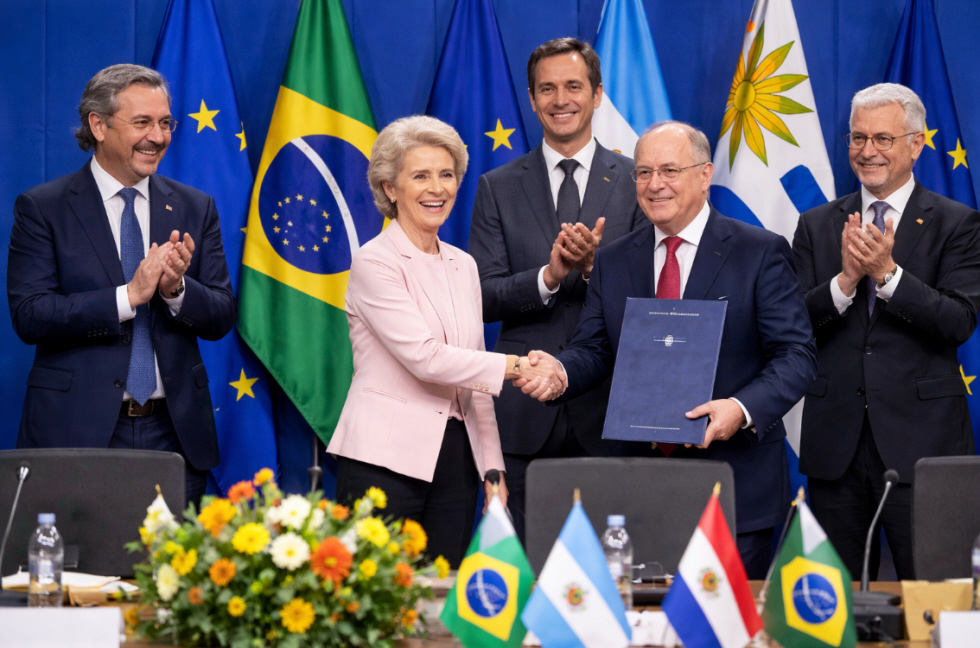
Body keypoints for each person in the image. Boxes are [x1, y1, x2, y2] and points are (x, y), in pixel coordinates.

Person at [523, 122, 817, 578]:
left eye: (669, 170)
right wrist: (560, 372)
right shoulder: (614, 259)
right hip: (636, 486)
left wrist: (740, 409)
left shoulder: (759, 252)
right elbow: (594, 348)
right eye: (643, 172)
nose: (654, 184)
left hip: (734, 482)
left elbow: (796, 355)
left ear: (705, 175)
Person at [327, 115, 559, 567]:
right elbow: (427, 359)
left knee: (442, 594)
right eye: (420, 176)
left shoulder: (463, 264)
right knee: (382, 597)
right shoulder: (375, 261)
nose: (437, 189)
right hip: (383, 460)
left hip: (455, 461)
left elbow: (473, 372)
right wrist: (517, 365)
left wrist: (492, 469)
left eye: (447, 175)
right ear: (390, 187)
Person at [7, 64, 237, 507]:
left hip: (174, 434)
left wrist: (175, 291)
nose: (158, 136)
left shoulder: (194, 207)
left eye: (165, 123)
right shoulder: (44, 208)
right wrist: (128, 297)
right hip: (78, 432)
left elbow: (222, 314)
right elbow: (30, 315)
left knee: (175, 555)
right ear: (98, 125)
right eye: (143, 122)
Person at [793, 83, 980, 581]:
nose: (867, 151)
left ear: (916, 145)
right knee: (832, 599)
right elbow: (793, 325)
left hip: (923, 447)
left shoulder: (957, 224)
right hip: (836, 449)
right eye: (858, 138)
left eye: (882, 139)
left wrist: (888, 276)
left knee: (935, 596)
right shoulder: (815, 225)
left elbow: (959, 321)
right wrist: (844, 282)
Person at [468, 37, 647, 542]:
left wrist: (592, 271)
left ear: (597, 94)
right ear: (531, 98)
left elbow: (652, 299)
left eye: (573, 86)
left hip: (610, 410)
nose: (560, 99)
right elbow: (482, 297)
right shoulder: (497, 186)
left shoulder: (637, 181)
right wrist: (548, 277)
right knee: (525, 570)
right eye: (547, 89)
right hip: (525, 414)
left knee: (615, 571)